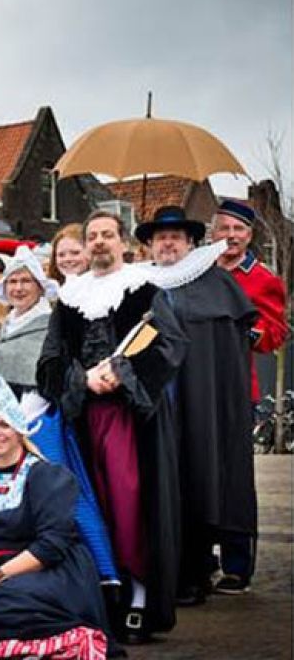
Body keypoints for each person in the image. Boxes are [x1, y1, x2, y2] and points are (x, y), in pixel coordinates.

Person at [38, 209, 185, 643]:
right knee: (90, 508)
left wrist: (121, 372)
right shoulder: (69, 299)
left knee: (130, 504)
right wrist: (81, 379)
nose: (99, 242)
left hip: (130, 419)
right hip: (82, 418)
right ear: (85, 246)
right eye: (93, 236)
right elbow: (50, 359)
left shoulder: (145, 291)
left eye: (107, 235)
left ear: (123, 242)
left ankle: (139, 596)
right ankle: (101, 597)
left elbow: (171, 347)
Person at [0, 380, 111, 660]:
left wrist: (0, 575)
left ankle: (40, 645)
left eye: (4, 425)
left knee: (18, 598)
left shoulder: (47, 476)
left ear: (19, 431)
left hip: (40, 568)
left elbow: (52, 543)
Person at [138, 207, 258, 604]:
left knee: (197, 477)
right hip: (150, 403)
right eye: (160, 237)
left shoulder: (216, 284)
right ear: (150, 245)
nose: (168, 243)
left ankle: (196, 571)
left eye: (176, 236)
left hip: (198, 403)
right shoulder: (138, 283)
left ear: (191, 243)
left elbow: (229, 356)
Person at [0, 246, 117, 586]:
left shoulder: (48, 322)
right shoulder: (8, 325)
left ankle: (103, 570)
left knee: (64, 493)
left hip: (40, 421)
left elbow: (51, 375)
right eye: (12, 282)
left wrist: (22, 422)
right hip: (6, 426)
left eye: (26, 281)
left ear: (40, 286)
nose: (18, 288)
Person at [212, 198, 289, 594]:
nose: (230, 237)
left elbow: (276, 331)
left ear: (249, 235)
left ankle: (237, 564)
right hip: (198, 388)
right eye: (223, 228)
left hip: (238, 390)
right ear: (212, 231)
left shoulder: (262, 278)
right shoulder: (198, 271)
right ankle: (200, 559)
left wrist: (247, 331)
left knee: (234, 480)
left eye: (238, 230)